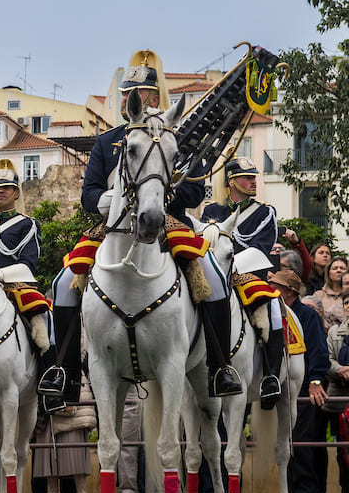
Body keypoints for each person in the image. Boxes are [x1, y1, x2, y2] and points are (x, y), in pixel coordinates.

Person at [53, 51, 236, 401]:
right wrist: (106, 200)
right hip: (116, 225)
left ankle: (219, 365)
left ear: (153, 97)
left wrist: (162, 192)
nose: (128, 98)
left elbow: (197, 187)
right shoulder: (108, 141)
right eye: (125, 92)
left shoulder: (175, 137)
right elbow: (88, 193)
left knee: (211, 275)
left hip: (168, 222)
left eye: (135, 91)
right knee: (63, 281)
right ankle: (65, 373)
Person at [200, 156, 289, 406]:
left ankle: (271, 376)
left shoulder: (264, 211)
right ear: (231, 181)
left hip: (247, 274)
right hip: (217, 274)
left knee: (271, 304)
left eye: (254, 177)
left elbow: (262, 247)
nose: (253, 182)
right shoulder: (211, 211)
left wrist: (233, 265)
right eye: (248, 177)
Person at [0, 159, 58, 410]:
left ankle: (51, 380)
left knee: (42, 321)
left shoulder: (27, 224)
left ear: (15, 192)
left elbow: (29, 264)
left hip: (14, 285)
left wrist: (0, 276)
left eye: (5, 188)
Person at [271, 268, 330, 493]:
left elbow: (318, 350)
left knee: (302, 437)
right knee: (286, 438)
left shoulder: (307, 315)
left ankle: (306, 489)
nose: (271, 289)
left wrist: (316, 380)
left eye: (276, 286)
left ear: (289, 291)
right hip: (283, 386)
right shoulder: (274, 313)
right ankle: (290, 489)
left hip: (304, 385)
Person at [34, 376, 96, 493]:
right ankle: (52, 492)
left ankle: (82, 492)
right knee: (48, 445)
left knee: (76, 445)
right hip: (46, 384)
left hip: (74, 385)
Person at [323, 293, 349, 493]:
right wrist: (340, 370)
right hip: (339, 398)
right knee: (342, 449)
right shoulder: (334, 332)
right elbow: (327, 359)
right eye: (347, 303)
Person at [304, 256, 347, 332]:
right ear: (328, 272)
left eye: (342, 268)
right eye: (335, 268)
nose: (339, 270)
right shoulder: (318, 295)